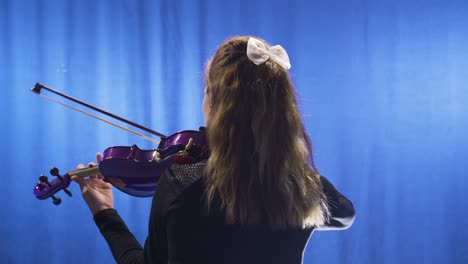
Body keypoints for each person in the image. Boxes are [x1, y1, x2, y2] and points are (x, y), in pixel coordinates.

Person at [72, 36, 355, 264]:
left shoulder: (181, 182)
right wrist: (287, 170)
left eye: (207, 90)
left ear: (215, 102)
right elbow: (343, 214)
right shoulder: (298, 186)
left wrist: (104, 212)